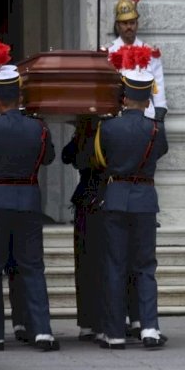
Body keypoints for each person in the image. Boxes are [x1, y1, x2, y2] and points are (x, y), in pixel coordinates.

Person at [0, 65, 59, 352]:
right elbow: (48, 158)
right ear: (19, 95)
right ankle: (43, 331)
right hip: (28, 200)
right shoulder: (39, 128)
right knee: (33, 267)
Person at [95, 68, 169, 349]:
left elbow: (102, 159)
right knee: (146, 266)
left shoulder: (108, 127)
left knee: (115, 266)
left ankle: (114, 333)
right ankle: (149, 327)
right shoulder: (156, 129)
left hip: (115, 197)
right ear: (148, 98)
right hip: (145, 199)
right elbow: (160, 151)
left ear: (124, 96)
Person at [61, 114, 106, 342]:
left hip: (86, 201)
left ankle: (88, 322)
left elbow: (66, 156)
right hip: (103, 201)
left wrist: (79, 133)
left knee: (86, 264)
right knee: (104, 265)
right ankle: (102, 321)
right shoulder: (107, 132)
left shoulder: (83, 137)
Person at [105, 0, 167, 122]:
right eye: (124, 23)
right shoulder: (109, 52)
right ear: (117, 25)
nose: (129, 27)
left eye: (132, 22)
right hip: (118, 114)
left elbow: (158, 81)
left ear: (137, 24)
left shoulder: (150, 51)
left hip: (145, 114)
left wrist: (161, 107)